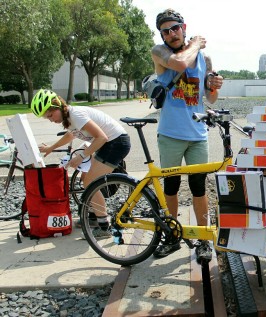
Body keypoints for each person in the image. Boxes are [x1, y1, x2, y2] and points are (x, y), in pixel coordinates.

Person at [150, 8, 224, 263]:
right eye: (165, 31)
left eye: (175, 28)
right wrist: (195, 43)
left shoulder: (205, 59)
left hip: (197, 134)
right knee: (171, 187)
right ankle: (171, 236)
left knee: (198, 187)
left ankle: (203, 240)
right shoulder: (160, 53)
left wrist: (214, 86)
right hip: (170, 134)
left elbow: (209, 97)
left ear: (184, 26)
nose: (171, 34)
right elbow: (180, 63)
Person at [31, 89, 131, 237]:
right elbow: (71, 135)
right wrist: (52, 148)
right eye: (47, 118)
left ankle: (104, 227)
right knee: (87, 180)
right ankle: (92, 217)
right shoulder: (69, 118)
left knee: (91, 182)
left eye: (51, 115)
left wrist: (82, 156)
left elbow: (101, 137)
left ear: (58, 105)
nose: (51, 120)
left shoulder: (76, 115)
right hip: (109, 143)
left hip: (115, 143)